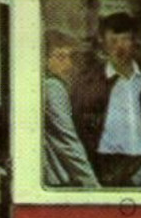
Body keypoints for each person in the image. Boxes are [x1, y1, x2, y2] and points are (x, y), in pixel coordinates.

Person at [72, 11, 141, 187]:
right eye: (113, 41)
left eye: (125, 40)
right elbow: (77, 130)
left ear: (135, 42)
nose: (119, 47)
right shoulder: (86, 84)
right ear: (103, 43)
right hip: (101, 167)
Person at [41, 29, 99, 188]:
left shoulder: (47, 85)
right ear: (44, 59)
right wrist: (93, 187)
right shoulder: (52, 87)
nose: (68, 64)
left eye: (70, 57)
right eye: (60, 57)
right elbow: (67, 140)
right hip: (56, 180)